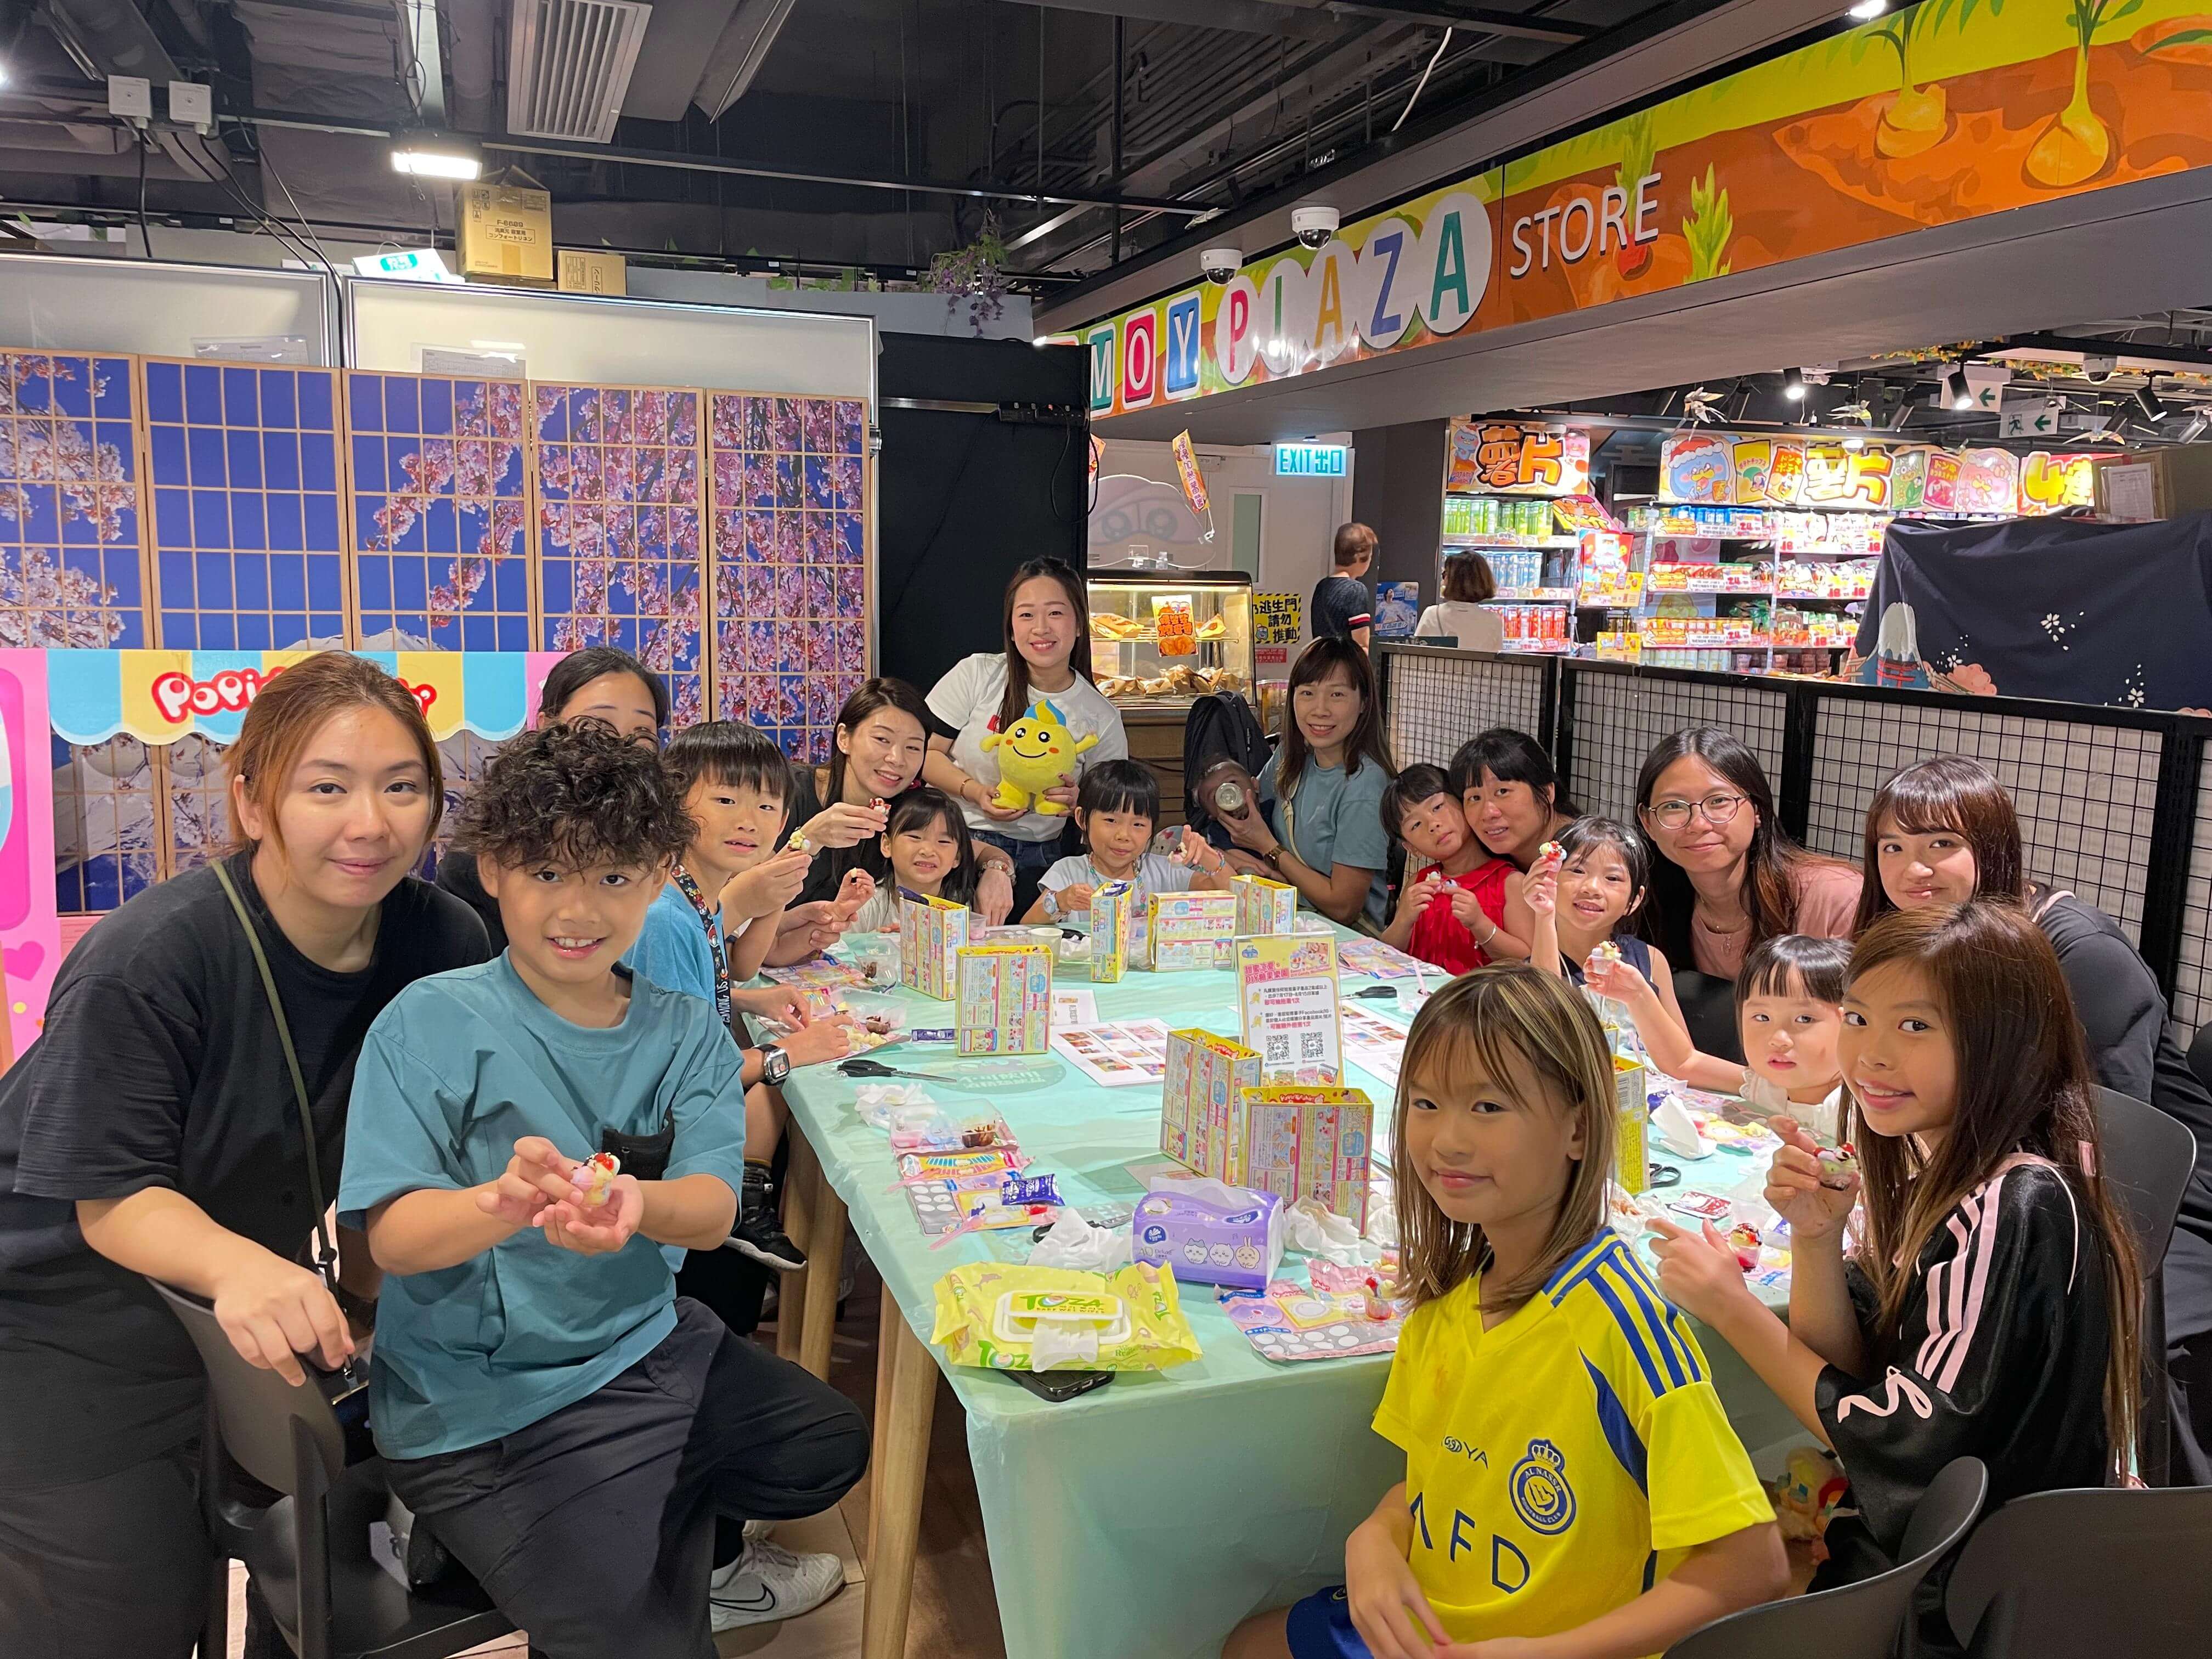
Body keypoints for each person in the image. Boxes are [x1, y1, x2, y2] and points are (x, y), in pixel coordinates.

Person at [339, 720, 870, 1651]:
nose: (578, 909)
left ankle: (630, 1517)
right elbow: (393, 1237)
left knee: (827, 1443)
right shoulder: (430, 1021)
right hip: (479, 1408)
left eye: (615, 877)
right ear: (494, 868)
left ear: (660, 874)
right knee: (642, 1640)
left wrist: (636, 1205)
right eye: (547, 871)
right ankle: (562, 1535)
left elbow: (710, 1208)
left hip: (644, 1346)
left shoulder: (684, 1029)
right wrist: (496, 1204)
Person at [0, 652, 489, 1659]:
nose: (370, 823)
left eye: (402, 786)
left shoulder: (443, 940)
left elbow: (415, 1152)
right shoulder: (154, 957)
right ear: (253, 801)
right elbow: (112, 1199)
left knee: (308, 1578)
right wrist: (239, 1267)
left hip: (254, 1318)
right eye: (327, 787)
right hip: (60, 1322)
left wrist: (369, 1291)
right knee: (120, 1614)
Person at [1224, 967, 1784, 1659]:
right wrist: (1375, 1535)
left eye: (1487, 1107)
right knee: (1247, 1644)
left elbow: (1753, 1565)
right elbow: (1439, 1480)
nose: (1447, 1140)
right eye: (1426, 1103)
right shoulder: (1449, 1302)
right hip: (1437, 1622)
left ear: (1580, 1127)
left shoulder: (1624, 1329)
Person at [1649, 902, 2139, 1650]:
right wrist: (1816, 1238)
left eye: (1915, 1026)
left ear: (2004, 1040)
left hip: (1967, 1593)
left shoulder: (2013, 1202)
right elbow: (1854, 1368)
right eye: (1857, 1018)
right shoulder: (1935, 1165)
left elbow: (1898, 1438)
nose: (1871, 1056)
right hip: (1932, 1551)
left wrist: (1732, 1309)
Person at [1855, 753, 2212, 1483]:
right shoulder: (1938, 944)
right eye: (1892, 847)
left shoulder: (2083, 954)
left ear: (1994, 849)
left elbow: (2104, 1135)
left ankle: (2149, 1507)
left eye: (1940, 844)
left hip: (2158, 1207)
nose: (1912, 869)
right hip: (2020, 1179)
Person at [625, 722, 862, 1273]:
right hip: (668, 1174)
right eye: (726, 800)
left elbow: (734, 970)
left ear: (783, 819)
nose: (748, 820)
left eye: (766, 805)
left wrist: (751, 1000)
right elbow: (676, 1080)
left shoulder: (692, 898)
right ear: (674, 803)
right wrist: (788, 1053)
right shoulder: (664, 917)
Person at [923, 558, 1128, 918]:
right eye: (1027, 615)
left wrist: (1078, 802)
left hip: (1042, 859)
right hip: (955, 846)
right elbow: (925, 755)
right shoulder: (977, 674)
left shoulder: (1101, 716)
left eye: (1056, 613)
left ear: (1080, 624)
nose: (1041, 628)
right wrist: (975, 791)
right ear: (1012, 626)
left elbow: (1113, 807)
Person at [436, 645, 666, 952]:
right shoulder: (487, 854)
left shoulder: (656, 832)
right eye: (598, 725)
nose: (620, 746)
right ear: (546, 726)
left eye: (642, 732)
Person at [1636, 726, 1860, 981]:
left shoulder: (1836, 899)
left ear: (1757, 809)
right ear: (1647, 822)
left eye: (1718, 801)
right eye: (1673, 806)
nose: (1698, 824)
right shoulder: (1642, 904)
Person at [791, 677, 1016, 924]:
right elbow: (757, 886)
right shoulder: (788, 793)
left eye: (913, 747)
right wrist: (809, 838)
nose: (897, 759)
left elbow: (971, 848)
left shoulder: (900, 807)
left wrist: (997, 870)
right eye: (882, 740)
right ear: (844, 738)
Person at [1593, 933, 1851, 1139]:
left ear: (1852, 1021)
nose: (1778, 1039)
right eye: (1762, 1017)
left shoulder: (1856, 1112)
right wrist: (1637, 996)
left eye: (1804, 1019)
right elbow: (1683, 1063)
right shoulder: (1767, 1086)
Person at [1218, 635, 1396, 928]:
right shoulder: (1291, 756)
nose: (1320, 709)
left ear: (1364, 702)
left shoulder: (1365, 786)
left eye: (1337, 695)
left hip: (1339, 937)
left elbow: (1343, 907)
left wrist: (1269, 848)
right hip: (1284, 917)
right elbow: (1253, 809)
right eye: (1308, 693)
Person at [1023, 759, 1229, 926]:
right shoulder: (1068, 872)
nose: (1124, 835)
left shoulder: (1166, 871)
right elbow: (1028, 925)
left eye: (1138, 825)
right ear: (1082, 819)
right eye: (1111, 821)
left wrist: (1208, 857)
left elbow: (1232, 896)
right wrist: (1062, 901)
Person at [1376, 763, 1528, 972]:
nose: (1433, 825)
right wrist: (1403, 920)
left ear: (1464, 802)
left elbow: (1528, 962)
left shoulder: (1510, 883)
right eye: (1416, 825)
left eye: (1438, 807)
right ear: (1412, 848)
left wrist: (1480, 924)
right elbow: (1385, 955)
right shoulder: (1419, 884)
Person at [1448, 727, 1579, 949]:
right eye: (1475, 798)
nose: (1488, 813)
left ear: (1547, 792)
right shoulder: (1483, 856)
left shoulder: (1588, 857)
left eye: (1502, 792)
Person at [1522, 814, 1673, 994]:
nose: (1592, 888)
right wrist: (1544, 915)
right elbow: (1544, 1008)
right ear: (1549, 876)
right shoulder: (1527, 973)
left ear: (1634, 900)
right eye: (1578, 871)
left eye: (1613, 878)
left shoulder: (1650, 959)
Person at [847, 787, 986, 934]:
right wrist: (875, 942)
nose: (928, 851)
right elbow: (837, 946)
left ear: (957, 857)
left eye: (943, 841)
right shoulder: (865, 904)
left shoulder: (961, 909)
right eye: (915, 837)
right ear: (887, 845)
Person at [1412, 551, 1504, 652]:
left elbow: (1416, 654)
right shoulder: (1494, 621)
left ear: (1451, 580)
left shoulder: (1432, 614)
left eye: (1445, 574)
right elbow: (1495, 659)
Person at [1311, 522, 1377, 651]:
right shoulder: (1356, 590)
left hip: (1321, 660)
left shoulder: (1321, 586)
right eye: (1370, 557)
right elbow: (1361, 646)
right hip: (1345, 662)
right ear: (1359, 557)